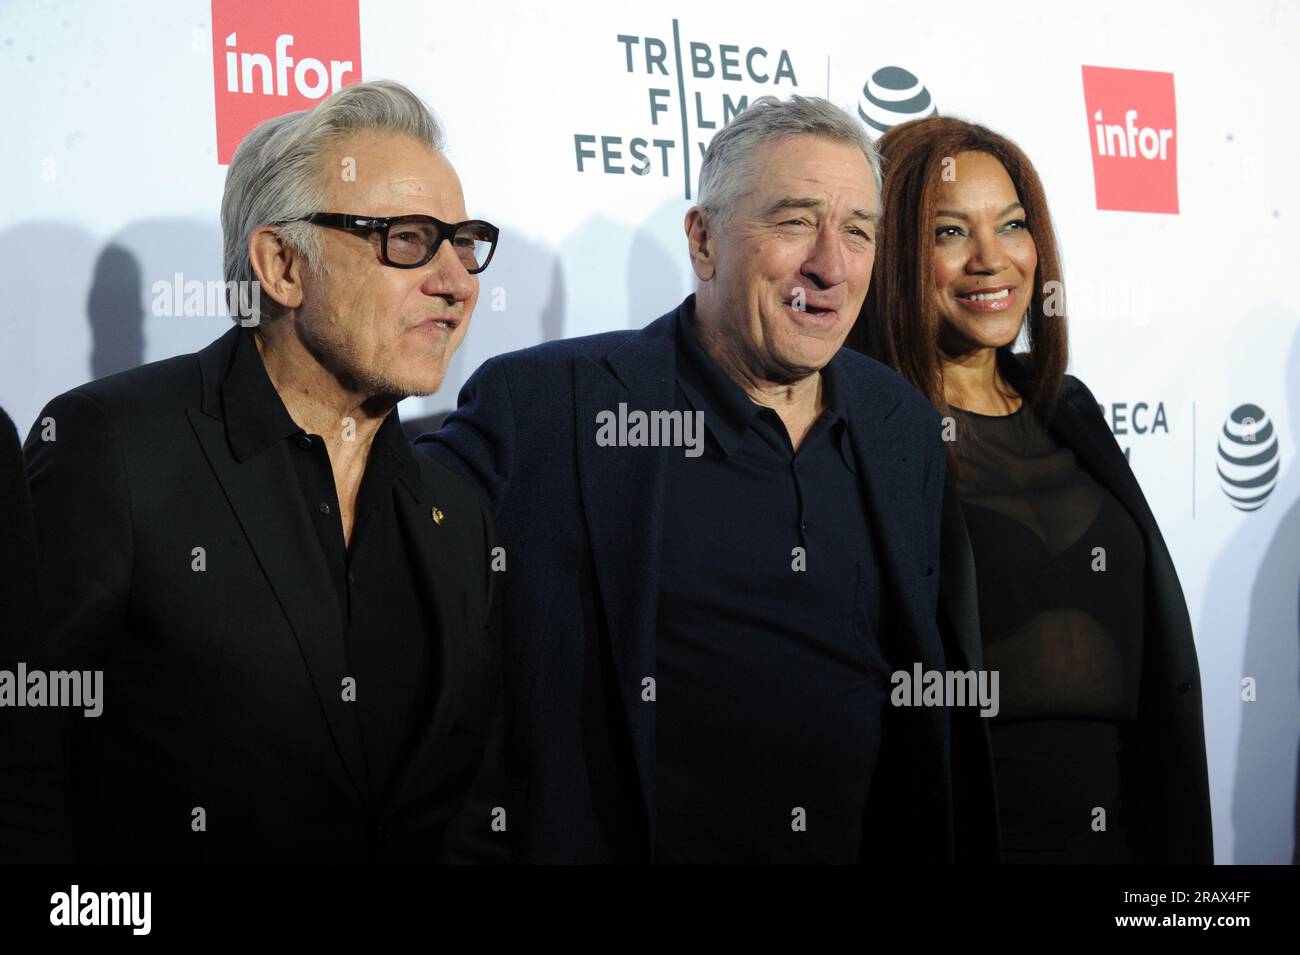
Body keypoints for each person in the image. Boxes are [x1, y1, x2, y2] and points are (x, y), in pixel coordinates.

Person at [419, 95, 952, 863]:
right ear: (703, 240)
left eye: (858, 232)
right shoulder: (548, 408)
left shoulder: (898, 421)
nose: (831, 265)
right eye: (796, 221)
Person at [20, 80, 508, 863]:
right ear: (282, 265)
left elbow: (471, 804)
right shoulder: (112, 448)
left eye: (465, 240)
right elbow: (20, 769)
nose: (457, 281)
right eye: (409, 240)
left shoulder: (455, 508)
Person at [849, 115, 1213, 864]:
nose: (992, 260)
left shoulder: (1070, 412)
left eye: (1012, 225)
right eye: (950, 233)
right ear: (891, 255)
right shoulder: (866, 433)